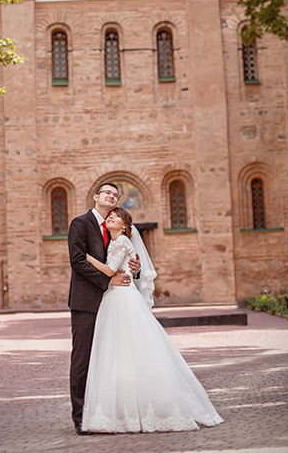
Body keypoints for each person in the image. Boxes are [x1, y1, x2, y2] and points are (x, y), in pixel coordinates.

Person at [81, 206, 224, 434]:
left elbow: (109, 270)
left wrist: (87, 257)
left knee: (130, 350)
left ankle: (146, 407)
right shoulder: (114, 243)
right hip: (115, 298)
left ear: (127, 226)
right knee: (119, 353)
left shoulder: (122, 242)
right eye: (110, 215)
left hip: (123, 299)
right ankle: (124, 409)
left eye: (116, 216)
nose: (111, 217)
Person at [68, 183, 140, 435]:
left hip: (114, 303)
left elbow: (123, 261)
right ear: (96, 197)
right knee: (83, 359)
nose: (111, 196)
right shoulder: (80, 223)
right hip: (87, 302)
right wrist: (108, 280)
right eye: (107, 192)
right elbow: (77, 261)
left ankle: (108, 411)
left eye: (115, 195)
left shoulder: (115, 226)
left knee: (112, 359)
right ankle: (80, 417)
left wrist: (135, 267)